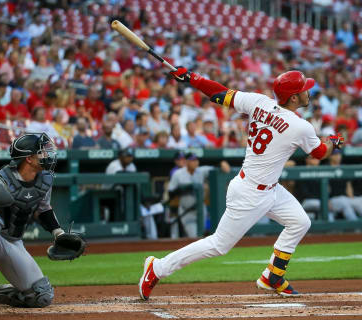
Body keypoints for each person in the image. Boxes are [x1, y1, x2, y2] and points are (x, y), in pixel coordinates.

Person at [138, 68, 344, 300]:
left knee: (300, 222)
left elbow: (220, 94)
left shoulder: (259, 102)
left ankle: (272, 277)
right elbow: (318, 153)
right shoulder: (300, 126)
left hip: (269, 188)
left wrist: (192, 78)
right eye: (304, 89)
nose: (309, 92)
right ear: (294, 98)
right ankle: (157, 268)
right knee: (219, 245)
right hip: (250, 193)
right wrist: (334, 142)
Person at [0, 133, 74, 307]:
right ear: (28, 158)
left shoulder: (44, 180)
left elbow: (43, 209)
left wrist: (58, 232)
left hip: (11, 241)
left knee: (40, 296)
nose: (47, 155)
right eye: (42, 152)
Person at [168, 153, 230, 238]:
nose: (196, 162)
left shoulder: (200, 171)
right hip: (186, 210)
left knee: (201, 235)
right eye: (193, 160)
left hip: (201, 209)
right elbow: (171, 192)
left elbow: (215, 168)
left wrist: (222, 163)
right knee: (194, 236)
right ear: (186, 161)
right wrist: (185, 189)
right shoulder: (178, 174)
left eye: (196, 160)